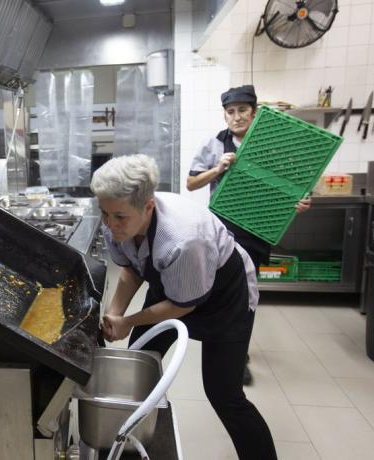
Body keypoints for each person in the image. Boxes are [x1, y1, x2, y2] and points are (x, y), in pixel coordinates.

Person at [92, 154, 277, 460]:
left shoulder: (182, 238)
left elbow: (181, 307)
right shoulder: (118, 218)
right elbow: (132, 268)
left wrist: (129, 321)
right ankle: (126, 445)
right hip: (173, 285)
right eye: (104, 214)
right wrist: (116, 312)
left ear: (148, 206)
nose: (111, 225)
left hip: (225, 296)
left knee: (224, 394)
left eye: (119, 217)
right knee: (137, 369)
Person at [187, 84, 311, 384]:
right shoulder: (215, 144)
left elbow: (287, 185)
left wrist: (299, 201)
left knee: (246, 295)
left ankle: (238, 355)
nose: (237, 116)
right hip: (222, 231)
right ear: (225, 115)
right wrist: (218, 169)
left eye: (243, 110)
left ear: (254, 113)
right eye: (231, 111)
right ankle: (222, 346)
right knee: (220, 292)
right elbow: (191, 183)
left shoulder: (270, 146)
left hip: (256, 231)